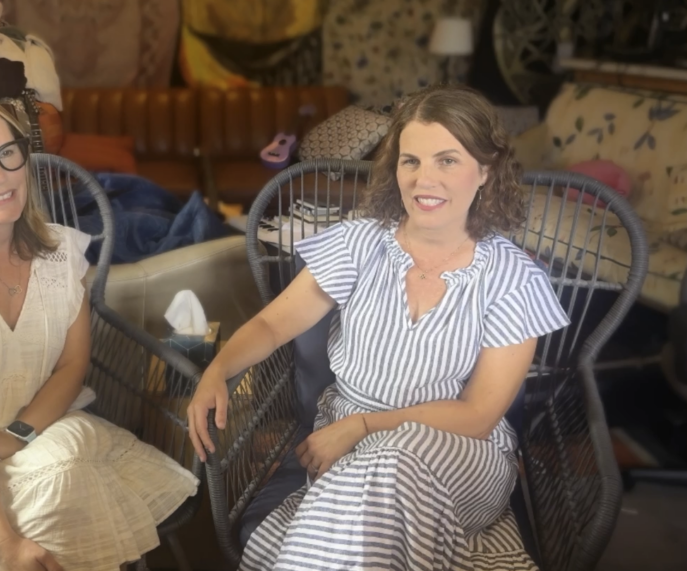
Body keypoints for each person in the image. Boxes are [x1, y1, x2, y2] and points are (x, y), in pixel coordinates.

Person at [187, 84, 569, 571]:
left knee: (387, 467)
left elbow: (477, 414)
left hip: (461, 453)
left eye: (447, 160)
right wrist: (218, 367)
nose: (423, 180)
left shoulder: (514, 278)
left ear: (486, 170)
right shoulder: (360, 243)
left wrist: (365, 425)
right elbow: (270, 324)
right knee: (364, 518)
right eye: (410, 161)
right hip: (345, 441)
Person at [0, 88, 198, 571]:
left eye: (8, 153)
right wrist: (4, 543)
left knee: (67, 472)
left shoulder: (60, 255)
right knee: (55, 504)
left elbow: (72, 365)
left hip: (45, 426)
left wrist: (20, 434)